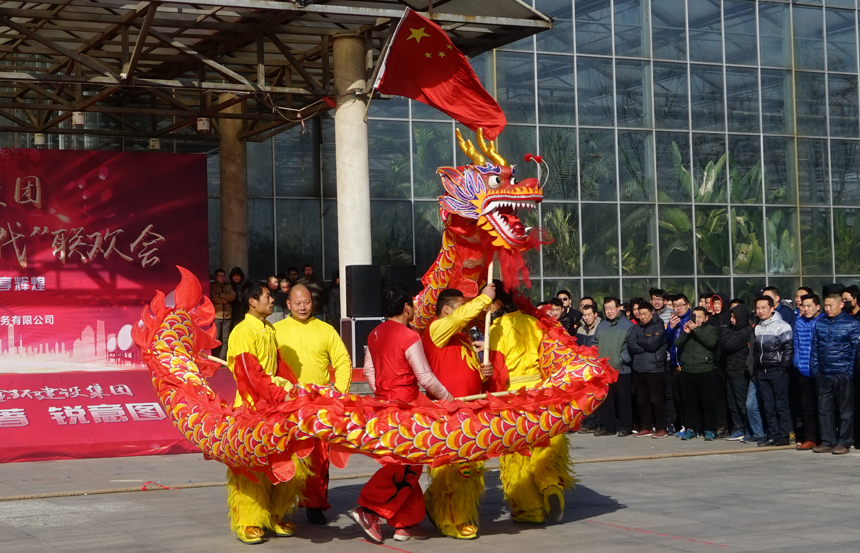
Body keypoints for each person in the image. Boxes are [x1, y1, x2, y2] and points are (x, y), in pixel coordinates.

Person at [349, 286, 452, 544]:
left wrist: (384, 392)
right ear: (407, 307)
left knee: (404, 462)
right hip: (407, 407)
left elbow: (369, 371)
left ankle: (406, 523)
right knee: (406, 464)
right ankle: (368, 508)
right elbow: (425, 377)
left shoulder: (374, 334)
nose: (414, 310)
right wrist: (449, 399)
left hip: (384, 405)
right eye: (413, 306)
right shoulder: (409, 336)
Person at [225, 282, 307, 544]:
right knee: (252, 466)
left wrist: (294, 391)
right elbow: (249, 374)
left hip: (274, 406)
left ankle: (275, 514)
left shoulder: (269, 329)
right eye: (267, 296)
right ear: (252, 301)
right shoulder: (242, 331)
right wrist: (278, 393)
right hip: (251, 407)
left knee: (283, 460)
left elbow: (280, 368)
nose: (272, 301)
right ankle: (248, 520)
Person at [485, 283, 572, 524]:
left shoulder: (497, 328)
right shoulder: (534, 323)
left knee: (515, 454)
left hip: (512, 395)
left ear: (497, 304)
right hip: (540, 393)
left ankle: (529, 509)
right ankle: (551, 487)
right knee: (544, 445)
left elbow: (498, 372)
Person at [273, 284, 352, 525]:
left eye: (306, 302)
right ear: (288, 305)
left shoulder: (325, 329)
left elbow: (342, 361)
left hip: (319, 406)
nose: (303, 307)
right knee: (285, 457)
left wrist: (338, 393)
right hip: (288, 404)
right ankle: (280, 505)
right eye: (297, 303)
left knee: (318, 457)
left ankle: (315, 504)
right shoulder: (274, 331)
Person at [421, 284, 495, 539]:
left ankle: (440, 505)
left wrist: (483, 374)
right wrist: (485, 297)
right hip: (447, 414)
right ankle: (452, 519)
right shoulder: (436, 330)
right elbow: (461, 317)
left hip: (470, 413)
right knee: (453, 469)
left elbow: (468, 373)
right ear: (446, 310)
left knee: (470, 469)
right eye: (461, 308)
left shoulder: (462, 338)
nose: (467, 316)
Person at [810, 293, 860, 454]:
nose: (827, 308)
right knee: (824, 409)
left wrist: (849, 372)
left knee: (845, 410)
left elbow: (855, 349)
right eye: (826, 305)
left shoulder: (852, 324)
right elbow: (815, 349)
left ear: (841, 305)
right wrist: (816, 369)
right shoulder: (820, 323)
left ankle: (843, 441)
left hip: (843, 373)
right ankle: (827, 440)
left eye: (831, 305)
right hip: (823, 373)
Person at [752, 295, 794, 447]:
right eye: (758, 308)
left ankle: (784, 436)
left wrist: (783, 367)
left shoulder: (782, 326)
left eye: (764, 307)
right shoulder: (757, 327)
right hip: (762, 371)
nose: (761, 311)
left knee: (781, 404)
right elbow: (756, 351)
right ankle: (773, 434)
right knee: (768, 405)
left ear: (772, 308)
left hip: (778, 371)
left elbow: (788, 349)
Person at [674, 307, 720, 441]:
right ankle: (692, 428)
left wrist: (696, 329)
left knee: (707, 402)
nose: (697, 319)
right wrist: (686, 333)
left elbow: (711, 343)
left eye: (700, 316)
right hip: (688, 370)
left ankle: (710, 429)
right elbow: (677, 343)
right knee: (689, 403)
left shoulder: (710, 329)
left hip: (705, 370)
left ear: (706, 318)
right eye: (694, 316)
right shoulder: (688, 329)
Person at [627, 302, 668, 438]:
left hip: (654, 368)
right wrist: (644, 343)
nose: (643, 317)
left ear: (652, 313)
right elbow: (631, 344)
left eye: (645, 314)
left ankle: (661, 427)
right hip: (639, 368)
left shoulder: (659, 325)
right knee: (641, 400)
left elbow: (653, 344)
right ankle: (646, 426)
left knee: (656, 399)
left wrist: (641, 342)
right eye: (640, 314)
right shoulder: (636, 328)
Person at [593, 297, 634, 437]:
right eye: (606, 309)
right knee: (605, 400)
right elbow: (594, 343)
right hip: (604, 371)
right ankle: (607, 426)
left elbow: (631, 346)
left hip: (621, 369)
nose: (609, 311)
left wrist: (621, 360)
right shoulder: (602, 325)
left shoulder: (628, 325)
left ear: (618, 308)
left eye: (611, 308)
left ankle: (625, 426)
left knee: (623, 399)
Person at [793, 294, 823, 450]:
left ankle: (825, 437)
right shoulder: (799, 323)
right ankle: (810, 437)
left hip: (820, 371)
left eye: (809, 306)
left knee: (823, 407)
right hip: (804, 370)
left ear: (818, 307)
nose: (805, 309)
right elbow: (796, 345)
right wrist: (797, 362)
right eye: (803, 306)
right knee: (807, 407)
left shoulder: (823, 322)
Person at [719, 304, 753, 441]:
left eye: (733, 317)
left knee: (742, 403)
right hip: (730, 370)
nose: (731, 320)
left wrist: (725, 335)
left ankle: (749, 429)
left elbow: (728, 344)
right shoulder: (731, 329)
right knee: (732, 403)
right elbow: (723, 340)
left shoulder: (746, 331)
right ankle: (738, 428)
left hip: (740, 371)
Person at [666, 294, 693, 434]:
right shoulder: (674, 320)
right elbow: (667, 342)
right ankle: (680, 424)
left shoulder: (692, 319)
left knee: (687, 398)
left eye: (681, 305)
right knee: (676, 397)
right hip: (674, 364)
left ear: (687, 305)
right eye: (675, 306)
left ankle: (689, 425)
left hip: (687, 364)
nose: (678, 308)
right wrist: (670, 327)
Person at [708, 293, 731, 438]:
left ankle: (734, 425)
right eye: (714, 303)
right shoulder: (711, 320)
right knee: (717, 396)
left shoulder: (729, 318)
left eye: (719, 303)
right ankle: (721, 424)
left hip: (727, 362)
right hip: (713, 361)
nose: (716, 306)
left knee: (730, 395)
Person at [210, 269, 236, 360]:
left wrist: (220, 294)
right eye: (220, 276)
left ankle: (222, 359)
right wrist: (226, 300)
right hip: (217, 316)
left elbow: (232, 296)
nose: (222, 278)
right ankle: (215, 358)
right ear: (216, 277)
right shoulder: (212, 286)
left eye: (223, 276)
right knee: (216, 339)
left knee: (226, 339)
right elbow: (214, 299)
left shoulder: (228, 286)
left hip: (227, 316)